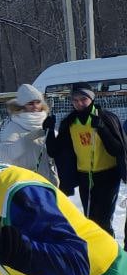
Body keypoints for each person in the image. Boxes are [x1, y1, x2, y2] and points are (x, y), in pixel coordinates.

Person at [46, 83, 126, 234]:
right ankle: (94, 252)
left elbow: (118, 149)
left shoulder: (105, 118)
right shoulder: (70, 123)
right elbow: (54, 150)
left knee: (103, 220)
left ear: (92, 98)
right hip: (85, 177)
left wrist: (102, 129)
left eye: (83, 99)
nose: (79, 103)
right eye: (75, 100)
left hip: (108, 176)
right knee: (90, 219)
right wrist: (50, 130)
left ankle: (109, 253)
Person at [0, 83, 57, 184]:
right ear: (22, 106)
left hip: (47, 180)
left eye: (38, 102)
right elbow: (6, 156)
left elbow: (55, 153)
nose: (35, 106)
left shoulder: (46, 122)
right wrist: (27, 139)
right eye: (30, 103)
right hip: (25, 182)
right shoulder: (13, 126)